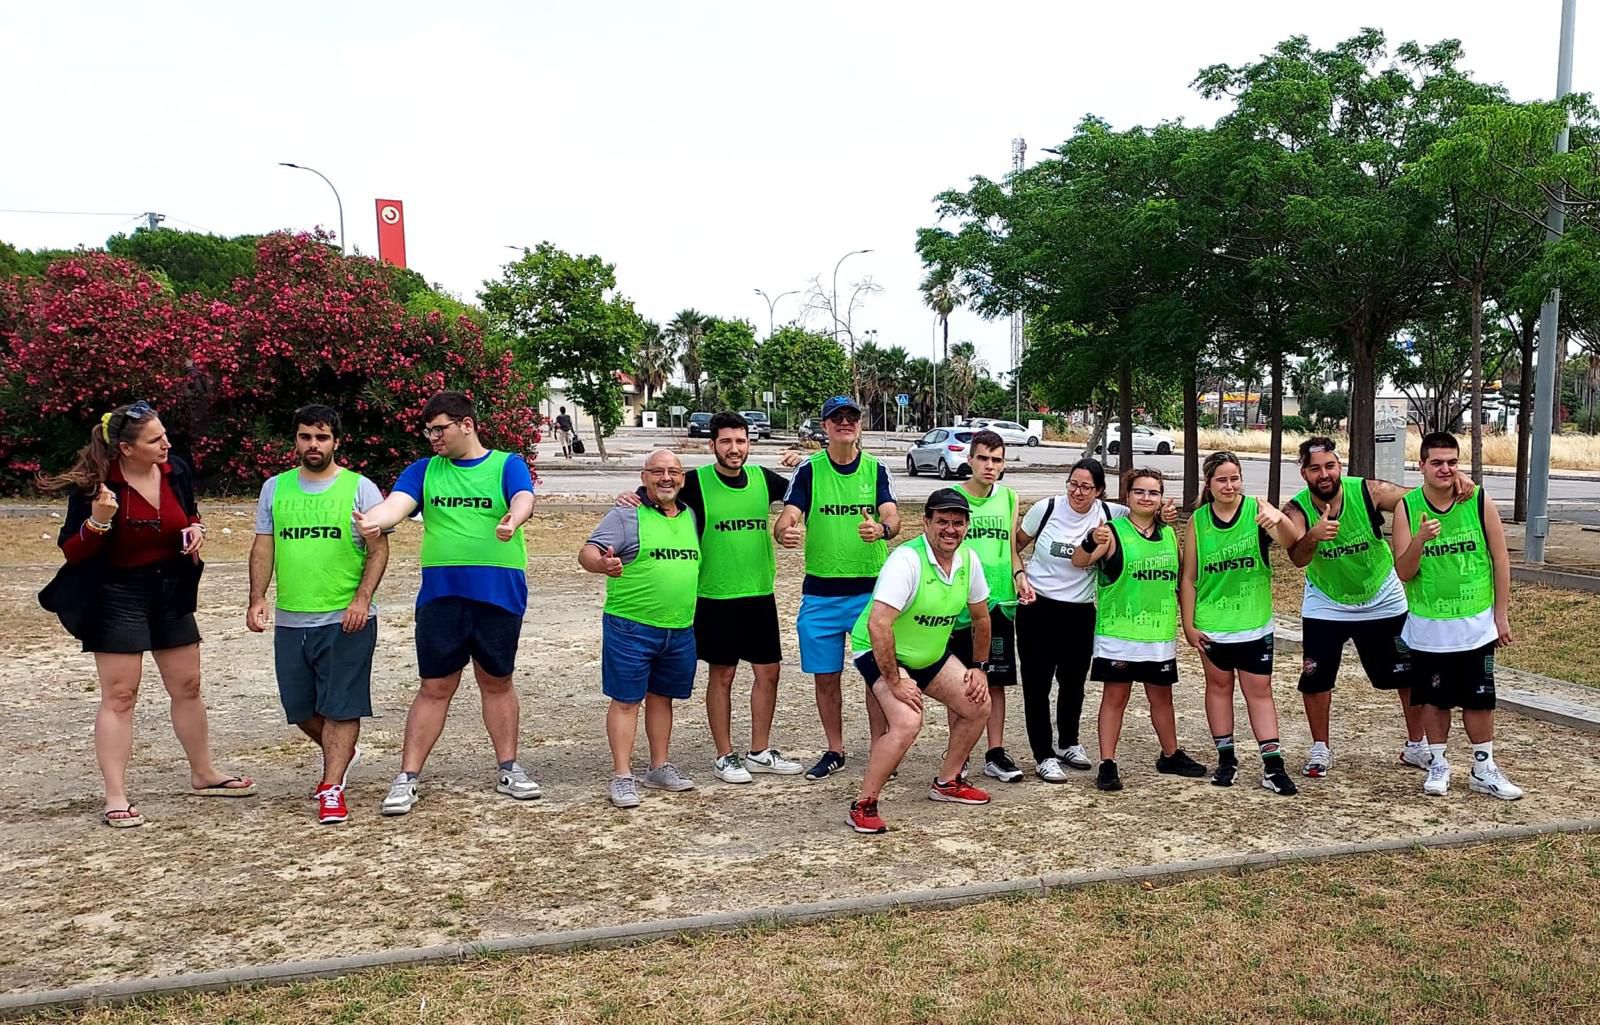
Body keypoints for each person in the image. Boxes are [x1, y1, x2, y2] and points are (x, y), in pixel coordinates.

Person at [38, 401, 255, 828]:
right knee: (121, 695)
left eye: (165, 435)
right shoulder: (95, 485)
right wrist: (99, 521)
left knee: (188, 685)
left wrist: (196, 528)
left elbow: (189, 512)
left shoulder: (175, 470)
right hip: (115, 593)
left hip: (170, 588)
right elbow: (72, 551)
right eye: (155, 440)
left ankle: (203, 772)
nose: (166, 444)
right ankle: (115, 796)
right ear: (125, 448)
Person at [352, 391, 540, 815]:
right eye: (428, 431)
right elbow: (395, 507)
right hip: (441, 595)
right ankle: (407, 777)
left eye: (440, 429)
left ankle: (509, 768)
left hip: (499, 593)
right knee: (435, 686)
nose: (433, 438)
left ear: (466, 425)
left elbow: (523, 498)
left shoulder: (506, 464)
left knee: (497, 681)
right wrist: (372, 521)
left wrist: (513, 518)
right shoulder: (424, 470)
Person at [1284, 436, 1475, 778]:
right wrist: (1313, 535)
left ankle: (1416, 745)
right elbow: (1297, 558)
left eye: (1330, 466)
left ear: (1339, 466)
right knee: (1316, 677)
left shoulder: (1368, 492)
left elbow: (1417, 499)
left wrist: (1453, 480)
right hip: (1327, 601)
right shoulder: (1297, 510)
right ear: (1304, 473)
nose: (1324, 474)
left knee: (1407, 674)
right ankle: (1320, 748)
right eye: (1315, 469)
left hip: (1381, 596)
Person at [247, 405, 391, 825]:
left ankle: (331, 787)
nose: (314, 444)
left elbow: (378, 550)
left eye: (322, 437)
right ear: (295, 440)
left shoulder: (361, 489)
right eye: (306, 436)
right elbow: (264, 545)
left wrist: (361, 600)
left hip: (345, 618)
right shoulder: (274, 488)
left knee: (342, 707)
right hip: (292, 618)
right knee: (299, 707)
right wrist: (257, 597)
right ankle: (342, 751)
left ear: (336, 442)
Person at [1013, 458, 1176, 782]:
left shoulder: (1111, 514)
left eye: (1086, 487)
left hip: (1080, 609)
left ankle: (1068, 742)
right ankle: (1043, 754)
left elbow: (1144, 513)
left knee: (1073, 682)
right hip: (1038, 606)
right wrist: (1019, 575)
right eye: (1073, 484)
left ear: (1100, 491)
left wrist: (1164, 514)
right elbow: (1014, 547)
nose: (1078, 492)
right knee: (1037, 684)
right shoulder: (1046, 509)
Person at [845, 489, 994, 833]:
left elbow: (981, 618)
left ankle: (947, 782)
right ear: (926, 522)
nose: (950, 529)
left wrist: (980, 668)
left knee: (978, 704)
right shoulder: (907, 561)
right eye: (942, 521)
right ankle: (863, 804)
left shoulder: (969, 560)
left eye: (958, 522)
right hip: (882, 651)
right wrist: (895, 681)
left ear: (967, 526)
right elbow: (878, 625)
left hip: (929, 655)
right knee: (907, 721)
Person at [772, 396, 900, 782]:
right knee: (826, 677)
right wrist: (785, 532)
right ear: (825, 426)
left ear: (860, 425)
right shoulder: (810, 470)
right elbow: (787, 517)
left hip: (870, 593)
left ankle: (881, 748)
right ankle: (835, 750)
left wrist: (881, 529)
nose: (845, 422)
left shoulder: (876, 469)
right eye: (837, 417)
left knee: (876, 676)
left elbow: (893, 517)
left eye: (852, 417)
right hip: (821, 593)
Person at [1391, 432, 1522, 800]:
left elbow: (1500, 558)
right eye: (1437, 462)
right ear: (1421, 465)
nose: (1445, 469)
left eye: (1452, 462)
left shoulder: (1477, 500)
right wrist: (1420, 539)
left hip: (1476, 624)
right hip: (1429, 626)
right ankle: (1438, 763)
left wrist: (1500, 614)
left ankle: (1483, 767)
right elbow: (1404, 571)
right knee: (1434, 699)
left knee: (1480, 698)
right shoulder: (1407, 508)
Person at [1072, 467, 1205, 791]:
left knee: (1162, 698)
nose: (1146, 497)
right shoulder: (1112, 532)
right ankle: (1107, 763)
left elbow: (1180, 580)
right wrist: (1090, 540)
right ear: (1127, 496)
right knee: (1115, 697)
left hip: (1158, 635)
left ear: (1161, 498)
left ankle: (1170, 754)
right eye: (1139, 492)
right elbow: (1079, 560)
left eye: (1153, 492)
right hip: (1119, 635)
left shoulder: (1169, 534)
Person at [581, 450, 700, 807]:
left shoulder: (690, 514)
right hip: (631, 627)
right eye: (657, 471)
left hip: (678, 628)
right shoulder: (625, 514)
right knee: (626, 701)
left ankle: (658, 767)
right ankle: (622, 776)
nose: (666, 478)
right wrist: (603, 565)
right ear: (644, 476)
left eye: (673, 471)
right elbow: (587, 553)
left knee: (662, 698)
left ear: (682, 478)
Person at [1179, 452, 1303, 796]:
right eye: (1222, 479)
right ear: (1209, 483)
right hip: (1212, 624)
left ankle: (1273, 767)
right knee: (1218, 689)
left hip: (1253, 623)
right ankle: (1226, 760)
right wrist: (1188, 625)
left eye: (1235, 478)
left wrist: (1278, 519)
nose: (1229, 485)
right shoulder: (1199, 520)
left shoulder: (1256, 511)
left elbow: (1292, 542)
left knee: (1259, 692)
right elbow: (1188, 578)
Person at [948, 430, 1029, 782]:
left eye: (997, 460)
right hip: (959, 606)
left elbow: (1011, 549)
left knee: (995, 681)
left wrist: (1020, 576)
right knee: (960, 683)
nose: (990, 466)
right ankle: (959, 753)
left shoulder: (1009, 498)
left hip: (999, 604)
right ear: (970, 460)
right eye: (983, 458)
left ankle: (995, 753)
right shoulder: (953, 498)